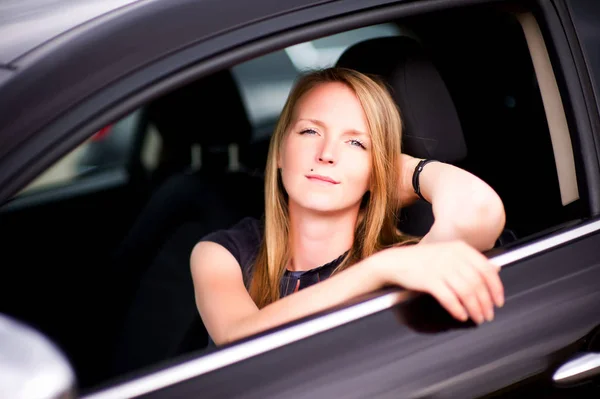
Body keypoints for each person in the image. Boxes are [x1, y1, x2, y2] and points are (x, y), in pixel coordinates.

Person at [190, 67, 506, 347]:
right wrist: (379, 271)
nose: (327, 154)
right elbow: (240, 337)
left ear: (378, 170)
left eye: (356, 143)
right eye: (310, 131)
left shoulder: (415, 261)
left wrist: (407, 172)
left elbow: (480, 209)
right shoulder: (221, 253)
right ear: (279, 152)